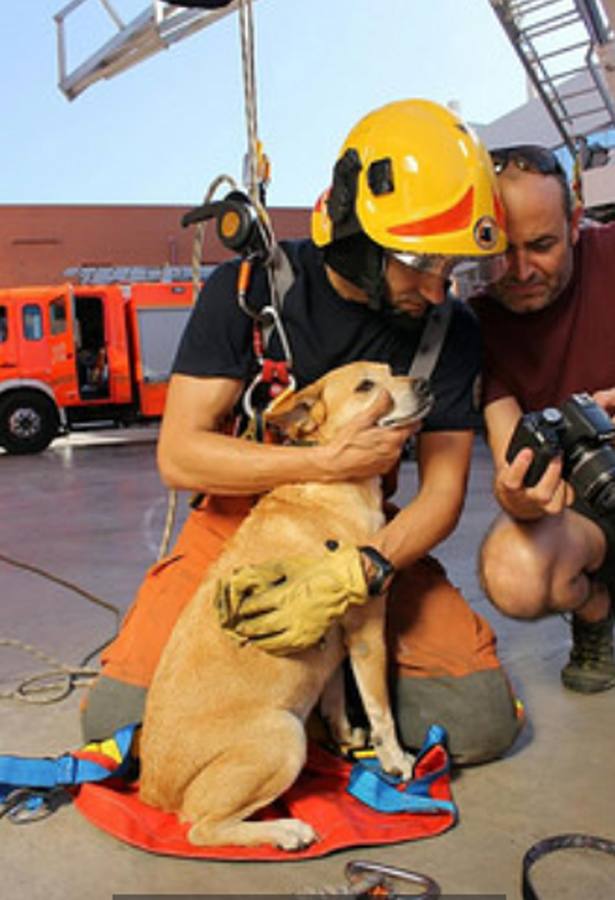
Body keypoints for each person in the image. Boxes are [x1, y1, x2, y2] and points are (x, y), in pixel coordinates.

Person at [82, 99, 523, 763]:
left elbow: (442, 492)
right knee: (122, 726)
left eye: (451, 270)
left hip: (364, 536)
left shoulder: (449, 329)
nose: (438, 291)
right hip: (235, 533)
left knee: (480, 720)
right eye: (420, 263)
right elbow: (179, 455)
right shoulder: (246, 291)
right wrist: (326, 463)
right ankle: (309, 689)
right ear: (358, 236)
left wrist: (362, 569)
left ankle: (327, 680)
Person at [470, 144, 615, 694]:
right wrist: (521, 496)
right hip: (592, 514)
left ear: (575, 222)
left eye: (543, 245)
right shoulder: (476, 327)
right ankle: (596, 608)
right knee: (513, 571)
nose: (522, 270)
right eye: (502, 251)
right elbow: (513, 460)